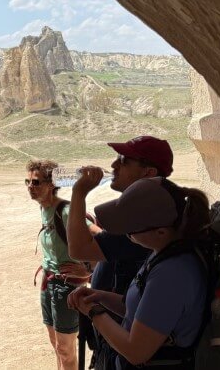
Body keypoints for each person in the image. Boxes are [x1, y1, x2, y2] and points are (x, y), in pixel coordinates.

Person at [67, 177, 210, 369]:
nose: (126, 234)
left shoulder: (172, 274)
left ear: (160, 232)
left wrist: (93, 312)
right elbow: (141, 312)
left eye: (130, 230)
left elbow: (136, 351)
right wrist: (100, 297)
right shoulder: (162, 253)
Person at [66, 136, 172, 369]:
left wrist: (79, 193)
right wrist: (100, 297)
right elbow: (135, 303)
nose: (113, 165)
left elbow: (78, 248)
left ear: (148, 172)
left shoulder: (146, 221)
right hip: (116, 340)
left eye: (123, 161)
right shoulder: (155, 214)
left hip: (125, 348)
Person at [25, 159, 92, 370]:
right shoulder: (45, 209)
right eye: (27, 182)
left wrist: (88, 271)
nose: (30, 187)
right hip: (49, 283)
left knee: (65, 348)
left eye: (36, 183)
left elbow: (100, 239)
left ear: (51, 183)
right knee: (56, 345)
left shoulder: (65, 211)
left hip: (67, 288)